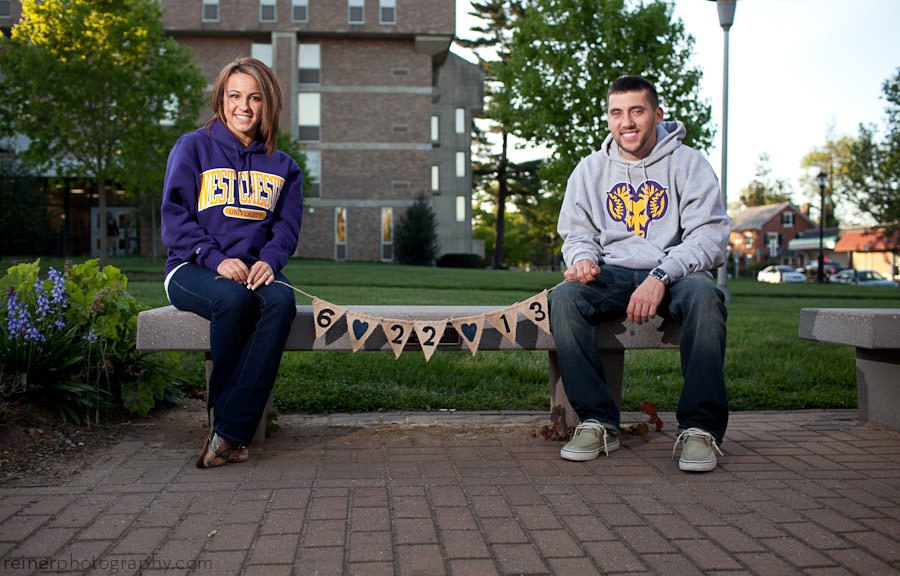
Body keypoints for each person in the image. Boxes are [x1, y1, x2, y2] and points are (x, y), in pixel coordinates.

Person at [549, 75, 729, 472]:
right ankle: (597, 421)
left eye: (636, 111)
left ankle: (701, 429)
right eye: (616, 113)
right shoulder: (590, 169)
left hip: (676, 273)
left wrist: (661, 276)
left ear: (657, 114)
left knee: (705, 296)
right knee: (564, 298)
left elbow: (709, 237)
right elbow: (577, 232)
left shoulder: (689, 163)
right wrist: (582, 259)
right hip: (611, 273)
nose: (626, 122)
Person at [161, 57, 303, 468]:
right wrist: (215, 258)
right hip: (192, 267)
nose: (244, 106)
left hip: (256, 270)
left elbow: (286, 230)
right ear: (221, 100)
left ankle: (227, 433)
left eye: (254, 97)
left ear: (268, 104)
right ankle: (226, 427)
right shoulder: (193, 147)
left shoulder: (284, 167)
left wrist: (272, 263)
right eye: (234, 95)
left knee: (280, 303)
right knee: (234, 301)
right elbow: (175, 219)